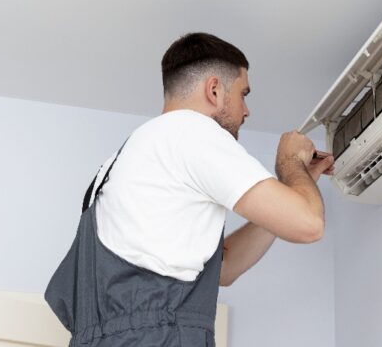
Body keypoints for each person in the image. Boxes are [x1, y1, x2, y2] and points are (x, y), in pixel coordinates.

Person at [44, 32, 335, 346]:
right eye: (243, 94)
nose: (246, 110)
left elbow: (226, 269)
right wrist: (290, 161)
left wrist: (290, 188)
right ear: (214, 90)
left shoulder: (131, 157)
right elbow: (309, 224)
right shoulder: (192, 132)